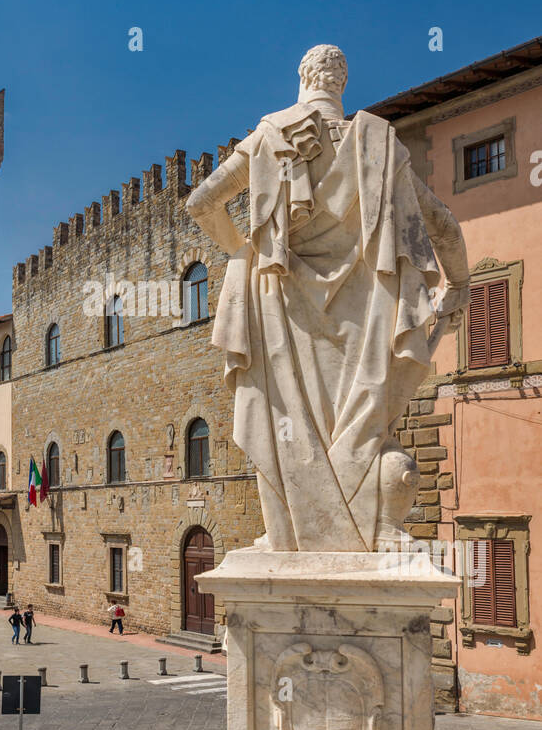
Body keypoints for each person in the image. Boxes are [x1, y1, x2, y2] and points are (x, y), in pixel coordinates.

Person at [186, 43, 469, 552]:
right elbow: (444, 225)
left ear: (303, 78)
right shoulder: (380, 144)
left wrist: (243, 254)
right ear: (341, 83)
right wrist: (462, 283)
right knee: (365, 430)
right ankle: (368, 530)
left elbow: (202, 202)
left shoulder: (268, 137)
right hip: (366, 320)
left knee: (283, 427)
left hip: (282, 313)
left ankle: (287, 537)